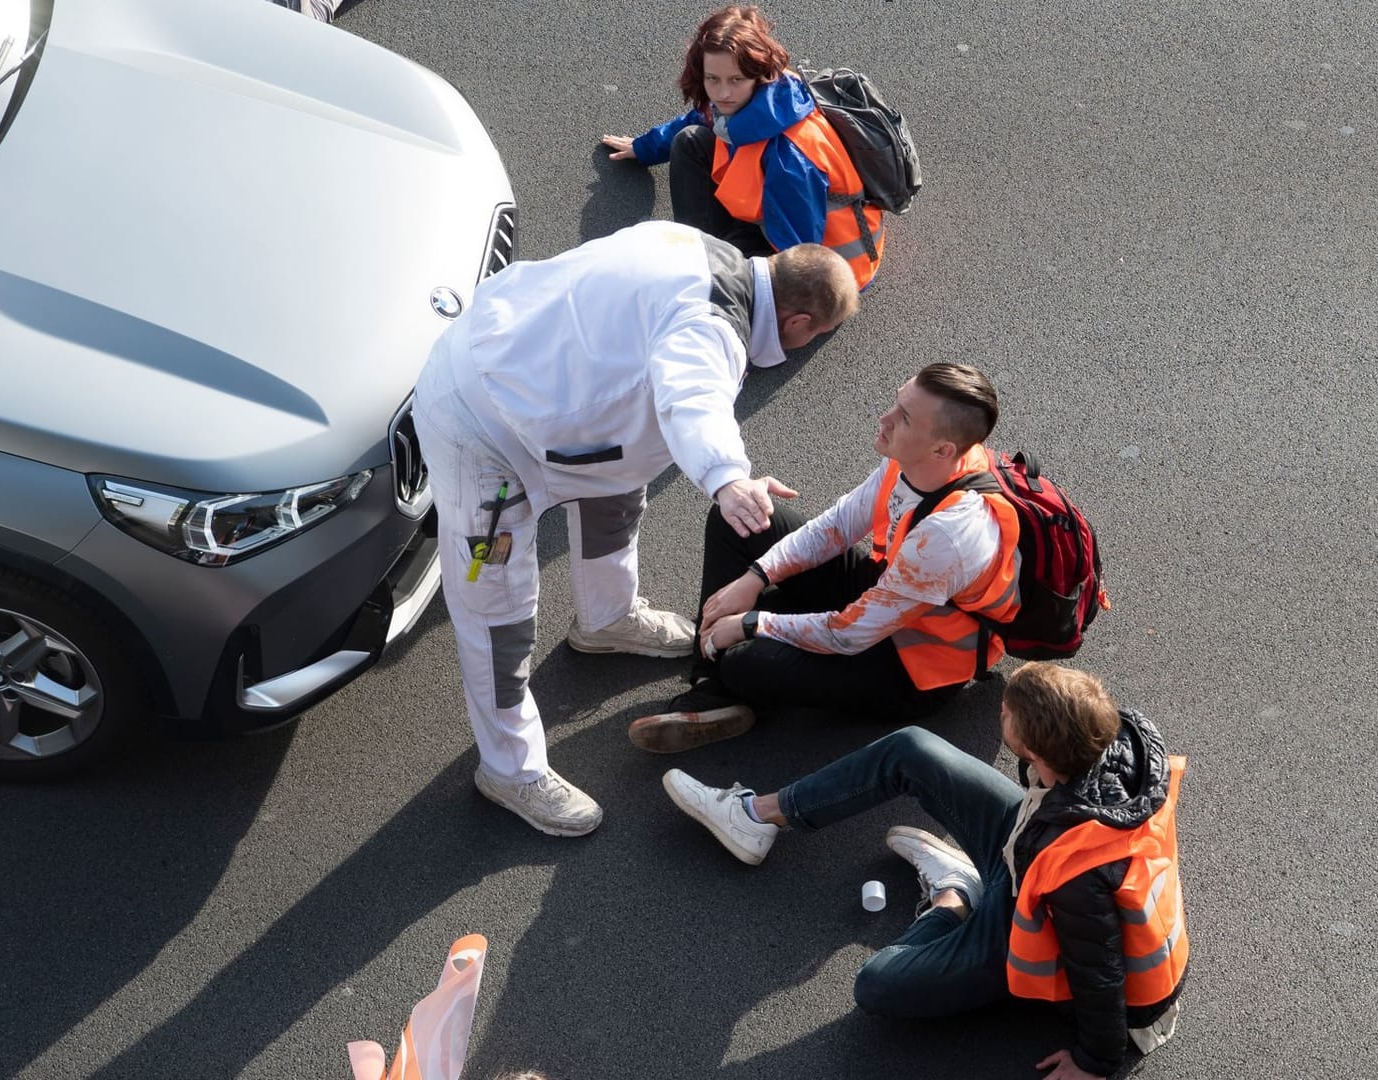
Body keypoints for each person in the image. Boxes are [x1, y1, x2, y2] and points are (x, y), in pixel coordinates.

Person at [413, 220, 859, 836]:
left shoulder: (692, 243)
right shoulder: (714, 329)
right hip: (485, 435)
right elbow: (692, 395)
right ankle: (508, 771)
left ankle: (606, 620)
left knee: (618, 500)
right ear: (801, 325)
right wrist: (730, 478)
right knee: (496, 615)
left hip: (522, 380)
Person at [659, 662, 1189, 1080]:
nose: (1000, 707)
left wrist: (1096, 1062)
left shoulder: (1080, 872)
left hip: (1030, 930)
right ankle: (756, 816)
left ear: (1034, 748)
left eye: (1008, 713)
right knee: (910, 748)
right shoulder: (1103, 746)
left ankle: (955, 896)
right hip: (1033, 855)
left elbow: (1099, 971)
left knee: (878, 986)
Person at [626, 362, 1019, 754]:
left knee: (747, 660)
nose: (884, 418)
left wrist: (752, 623)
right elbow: (837, 527)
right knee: (742, 518)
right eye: (895, 404)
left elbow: (849, 633)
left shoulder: (949, 536)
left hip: (913, 663)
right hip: (885, 594)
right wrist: (757, 576)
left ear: (942, 449)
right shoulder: (918, 459)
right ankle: (711, 686)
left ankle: (725, 669)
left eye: (903, 418)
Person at [600, 6, 887, 290]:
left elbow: (801, 258)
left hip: (828, 269)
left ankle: (702, 275)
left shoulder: (789, 157)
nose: (723, 92)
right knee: (689, 141)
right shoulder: (754, 97)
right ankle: (699, 261)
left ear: (758, 74)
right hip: (775, 221)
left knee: (718, 281)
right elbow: (705, 116)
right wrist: (643, 148)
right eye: (713, 79)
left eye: (735, 80)